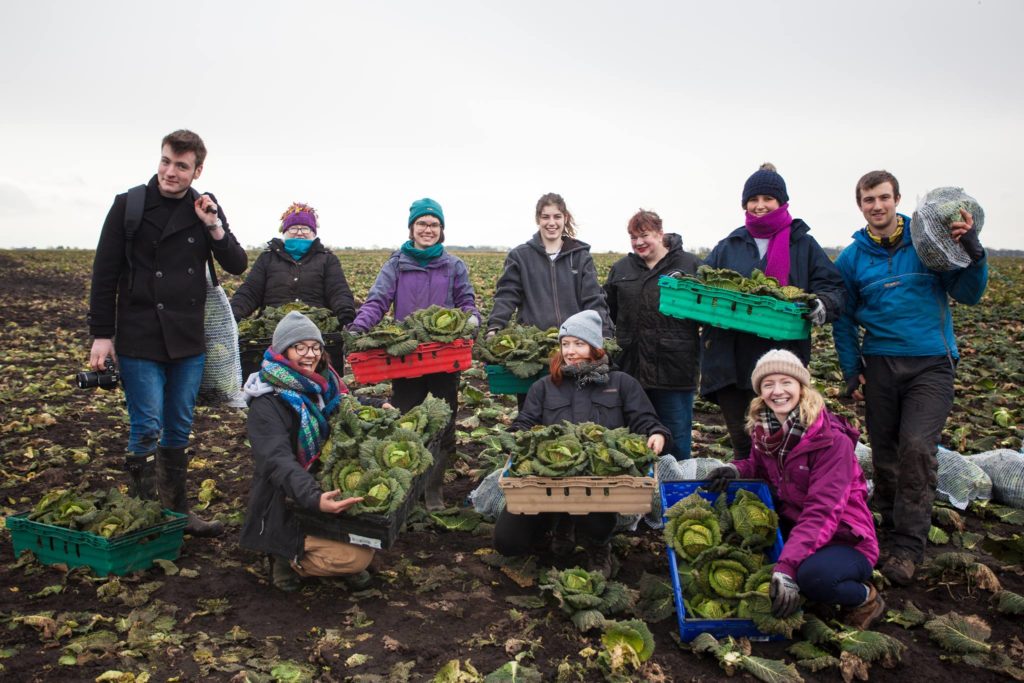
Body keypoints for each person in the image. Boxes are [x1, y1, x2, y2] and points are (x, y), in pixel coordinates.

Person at [87, 129, 248, 537]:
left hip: (189, 339)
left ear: (197, 169)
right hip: (140, 336)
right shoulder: (130, 206)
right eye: (165, 162)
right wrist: (102, 334)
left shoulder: (204, 207)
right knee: (147, 425)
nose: (170, 172)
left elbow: (236, 263)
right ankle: (142, 518)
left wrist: (213, 225)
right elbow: (104, 275)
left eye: (181, 166)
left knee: (178, 426)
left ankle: (177, 515)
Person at [832, 170, 988, 586]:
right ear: (860, 205)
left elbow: (970, 293)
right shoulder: (851, 258)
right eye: (869, 200)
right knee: (885, 453)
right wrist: (852, 371)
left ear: (897, 199)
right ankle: (882, 521)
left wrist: (973, 250)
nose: (877, 206)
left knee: (917, 448)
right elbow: (844, 320)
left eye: (884, 197)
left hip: (931, 363)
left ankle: (908, 547)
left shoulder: (927, 244)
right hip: (880, 363)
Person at [707, 350, 883, 629]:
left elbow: (823, 511)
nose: (777, 391)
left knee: (813, 579)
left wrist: (787, 568)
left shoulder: (830, 441)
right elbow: (759, 465)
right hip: (796, 526)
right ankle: (802, 573)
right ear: (759, 391)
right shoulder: (764, 428)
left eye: (786, 382)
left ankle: (865, 597)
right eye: (768, 384)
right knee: (744, 549)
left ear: (802, 386)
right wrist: (736, 469)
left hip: (844, 537)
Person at [493, 310, 669, 578]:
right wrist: (515, 434)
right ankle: (558, 521)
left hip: (600, 478)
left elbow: (644, 418)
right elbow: (525, 421)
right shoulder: (544, 386)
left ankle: (599, 544)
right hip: (547, 480)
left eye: (579, 344)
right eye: (565, 344)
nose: (570, 351)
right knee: (508, 542)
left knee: (595, 515)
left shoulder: (621, 383)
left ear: (595, 347)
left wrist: (656, 432)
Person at [700, 163, 845, 460]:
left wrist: (823, 305)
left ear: (781, 202)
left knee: (782, 444)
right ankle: (750, 491)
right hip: (730, 360)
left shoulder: (802, 244)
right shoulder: (730, 245)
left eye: (768, 198)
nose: (760, 205)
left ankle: (784, 501)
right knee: (742, 444)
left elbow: (834, 288)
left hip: (780, 362)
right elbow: (702, 284)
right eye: (753, 199)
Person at [347, 198, 480, 510]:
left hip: (444, 356)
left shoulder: (454, 265)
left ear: (441, 230)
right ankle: (409, 482)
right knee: (406, 419)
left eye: (434, 225)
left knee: (443, 422)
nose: (428, 229)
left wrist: (472, 318)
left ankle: (433, 488)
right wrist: (358, 328)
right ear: (412, 228)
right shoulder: (396, 265)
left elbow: (466, 300)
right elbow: (378, 301)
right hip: (405, 357)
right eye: (422, 224)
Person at [241, 311, 378, 592]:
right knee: (358, 557)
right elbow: (278, 461)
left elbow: (346, 404)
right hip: (284, 496)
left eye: (315, 347)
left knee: (373, 537)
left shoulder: (321, 383)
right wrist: (314, 498)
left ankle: (318, 543)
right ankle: (286, 556)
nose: (310, 354)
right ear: (283, 351)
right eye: (299, 347)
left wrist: (375, 405)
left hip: (321, 479)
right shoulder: (266, 403)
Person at [605, 209, 702, 459]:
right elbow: (608, 315)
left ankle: (677, 494)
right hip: (631, 371)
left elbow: (708, 313)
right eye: (633, 237)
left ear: (660, 234)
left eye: (644, 235)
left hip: (675, 372)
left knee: (677, 442)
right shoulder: (621, 269)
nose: (638, 242)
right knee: (632, 443)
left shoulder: (690, 266)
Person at [486, 192, 612, 341]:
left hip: (574, 341)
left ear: (565, 218)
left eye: (557, 216)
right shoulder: (520, 256)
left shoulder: (580, 257)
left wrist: (605, 334)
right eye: (546, 217)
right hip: (533, 342)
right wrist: (495, 326)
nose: (551, 223)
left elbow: (594, 299)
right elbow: (507, 296)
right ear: (538, 219)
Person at [230, 202, 356, 328]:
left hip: (316, 326)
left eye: (305, 228)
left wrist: (346, 318)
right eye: (294, 228)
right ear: (285, 231)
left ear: (313, 232)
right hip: (273, 325)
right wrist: (233, 315)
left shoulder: (327, 259)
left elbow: (338, 291)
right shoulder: (267, 258)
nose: (299, 233)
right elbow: (250, 292)